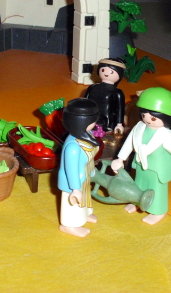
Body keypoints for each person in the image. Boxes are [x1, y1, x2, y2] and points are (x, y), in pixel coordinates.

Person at [111, 87, 171, 225]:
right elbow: (129, 143)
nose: (148, 120)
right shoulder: (139, 127)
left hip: (157, 169)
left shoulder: (165, 135)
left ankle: (158, 211)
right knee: (139, 184)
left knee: (156, 189)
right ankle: (137, 202)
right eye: (144, 115)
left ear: (166, 118)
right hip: (141, 165)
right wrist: (120, 158)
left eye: (153, 117)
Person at [58, 98, 100, 237]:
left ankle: (84, 216)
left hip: (84, 176)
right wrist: (75, 189)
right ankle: (69, 225)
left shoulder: (87, 136)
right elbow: (71, 170)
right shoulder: (73, 147)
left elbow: (88, 158)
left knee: (84, 200)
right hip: (73, 182)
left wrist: (91, 169)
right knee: (73, 204)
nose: (95, 123)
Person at [83, 58, 126, 135]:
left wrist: (119, 124)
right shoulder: (92, 87)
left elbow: (120, 109)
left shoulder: (117, 92)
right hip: (89, 118)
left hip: (108, 123)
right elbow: (85, 101)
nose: (106, 73)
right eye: (103, 70)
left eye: (111, 72)